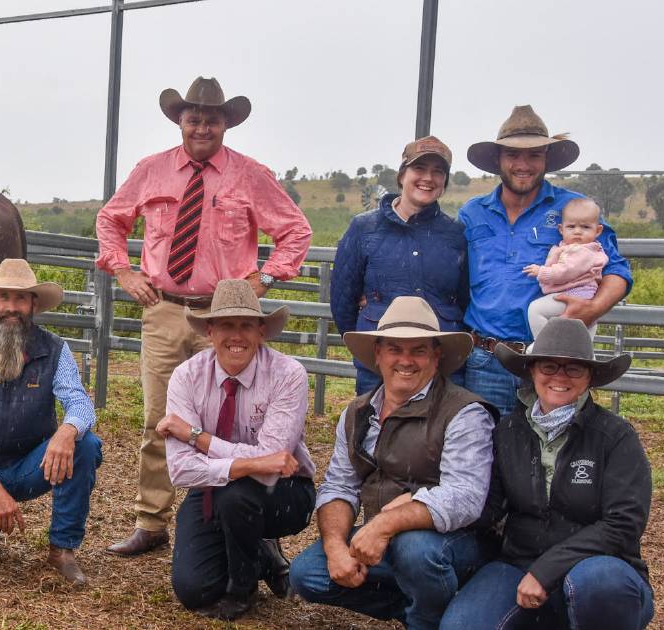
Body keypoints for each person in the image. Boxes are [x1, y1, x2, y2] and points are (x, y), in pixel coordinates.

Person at [96, 76, 312, 556]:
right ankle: (151, 522)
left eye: (211, 119)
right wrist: (125, 271)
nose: (201, 127)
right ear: (179, 121)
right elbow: (111, 219)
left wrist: (268, 279)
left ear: (226, 125)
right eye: (193, 117)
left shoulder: (251, 175)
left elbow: (295, 231)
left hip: (230, 318)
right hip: (166, 309)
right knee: (162, 418)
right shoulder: (151, 171)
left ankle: (254, 526)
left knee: (240, 421)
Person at [289, 296, 498, 630]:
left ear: (436, 355)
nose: (406, 360)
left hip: (457, 543)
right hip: (389, 541)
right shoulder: (356, 412)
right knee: (308, 574)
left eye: (418, 350)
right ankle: (422, 608)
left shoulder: (465, 412)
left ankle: (428, 619)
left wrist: (384, 523)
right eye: (395, 349)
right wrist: (334, 547)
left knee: (415, 551)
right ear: (378, 353)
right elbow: (340, 485)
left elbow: (465, 498)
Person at [441, 317, 653, 630]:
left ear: (590, 376)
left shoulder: (615, 436)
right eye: (548, 367)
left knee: (601, 585)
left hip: (597, 565)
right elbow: (487, 510)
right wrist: (425, 506)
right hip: (519, 564)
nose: (559, 377)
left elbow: (623, 524)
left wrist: (546, 571)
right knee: (460, 626)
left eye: (573, 368)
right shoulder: (508, 431)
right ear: (532, 371)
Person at [154, 279, 317, 621]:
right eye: (227, 325)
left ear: (261, 331)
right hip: (212, 488)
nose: (236, 336)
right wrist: (247, 462)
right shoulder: (186, 376)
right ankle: (261, 552)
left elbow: (273, 464)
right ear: (210, 331)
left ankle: (243, 590)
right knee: (193, 589)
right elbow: (181, 471)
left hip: (285, 492)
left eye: (246, 325)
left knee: (237, 497)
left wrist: (199, 438)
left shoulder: (289, 375)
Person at [0, 259, 102, 586]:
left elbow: (80, 402)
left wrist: (67, 432)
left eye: (21, 299)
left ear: (33, 305)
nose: (12, 307)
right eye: (4, 298)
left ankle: (62, 549)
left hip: (32, 464)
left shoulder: (55, 349)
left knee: (86, 444)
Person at [460, 105, 632, 415]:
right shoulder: (472, 213)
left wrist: (592, 309)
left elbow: (617, 270)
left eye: (534, 155)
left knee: (550, 454)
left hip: (552, 362)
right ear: (498, 159)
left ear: (547, 160)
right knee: (483, 452)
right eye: (512, 155)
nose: (523, 164)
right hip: (485, 358)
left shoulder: (575, 210)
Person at [331, 135, 469, 395]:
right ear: (402, 174)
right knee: (377, 430)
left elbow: (465, 297)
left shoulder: (456, 234)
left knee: (440, 432)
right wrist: (368, 340)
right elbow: (342, 301)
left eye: (438, 172)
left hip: (440, 362)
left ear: (445, 182)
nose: (428, 178)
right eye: (419, 168)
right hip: (380, 365)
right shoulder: (364, 228)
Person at [524, 198, 609, 338]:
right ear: (561, 229)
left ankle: (543, 346)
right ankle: (586, 355)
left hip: (573, 295)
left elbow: (565, 272)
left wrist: (541, 271)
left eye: (585, 227)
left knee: (535, 309)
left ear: (598, 230)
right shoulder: (585, 250)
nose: (577, 232)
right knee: (584, 340)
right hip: (585, 297)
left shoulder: (582, 252)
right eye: (571, 227)